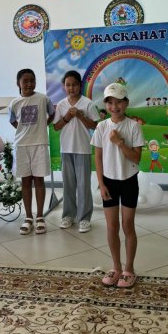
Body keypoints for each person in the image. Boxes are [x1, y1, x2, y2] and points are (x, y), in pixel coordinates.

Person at [91, 82, 145, 288]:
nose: (114, 106)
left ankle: (129, 269)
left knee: (127, 225)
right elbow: (97, 157)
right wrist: (101, 183)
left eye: (119, 102)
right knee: (111, 226)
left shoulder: (134, 126)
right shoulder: (101, 126)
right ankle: (116, 267)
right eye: (110, 102)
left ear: (126, 103)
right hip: (109, 182)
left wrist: (120, 142)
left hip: (129, 180)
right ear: (105, 105)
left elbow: (136, 158)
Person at [9, 69, 54, 235]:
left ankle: (40, 217)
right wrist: (23, 131)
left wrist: (42, 126)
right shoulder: (14, 103)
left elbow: (52, 114)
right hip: (22, 146)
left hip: (39, 144)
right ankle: (28, 218)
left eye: (32, 80)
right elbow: (13, 121)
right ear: (18, 83)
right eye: (25, 81)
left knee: (39, 180)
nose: (29, 84)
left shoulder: (43, 99)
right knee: (26, 182)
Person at [53, 70, 99, 232]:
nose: (71, 88)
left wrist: (79, 115)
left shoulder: (87, 103)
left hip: (83, 149)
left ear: (80, 85)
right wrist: (67, 116)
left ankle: (84, 218)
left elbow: (95, 125)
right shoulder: (61, 105)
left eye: (74, 85)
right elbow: (56, 127)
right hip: (66, 148)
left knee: (83, 185)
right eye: (68, 85)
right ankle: (68, 215)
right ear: (63, 86)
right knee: (68, 184)